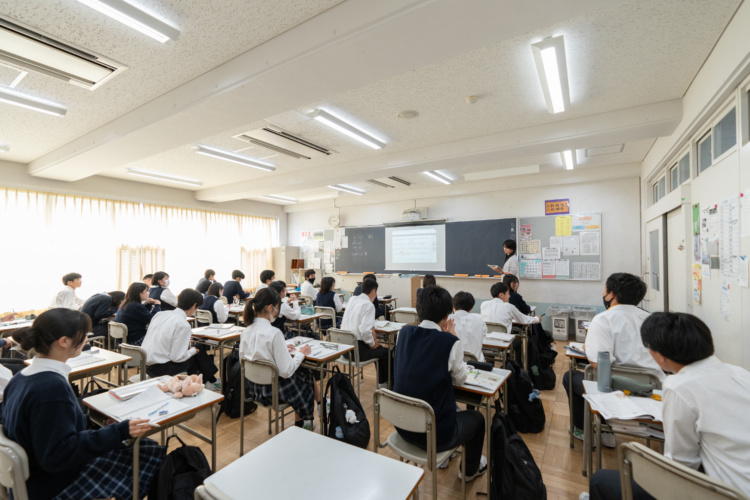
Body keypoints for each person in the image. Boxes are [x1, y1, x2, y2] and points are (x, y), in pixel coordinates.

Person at [1, 308, 163, 499]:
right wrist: (120, 431)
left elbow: (44, 427)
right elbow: (57, 456)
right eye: (84, 335)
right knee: (149, 451)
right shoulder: (51, 388)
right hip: (50, 483)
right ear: (64, 341)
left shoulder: (22, 377)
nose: (87, 338)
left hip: (27, 476)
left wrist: (95, 422)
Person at [586, 313, 750, 499]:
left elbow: (681, 466)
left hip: (730, 493)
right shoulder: (741, 374)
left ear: (661, 356)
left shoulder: (680, 387)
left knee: (600, 480)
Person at [394, 285, 487, 482]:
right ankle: (469, 472)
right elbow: (460, 379)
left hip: (402, 425)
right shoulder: (449, 342)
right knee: (477, 420)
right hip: (435, 435)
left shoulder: (403, 333)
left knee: (445, 401)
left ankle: (447, 458)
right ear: (447, 315)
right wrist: (452, 338)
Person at [562, 273, 664, 446]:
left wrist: (588, 349)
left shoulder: (602, 320)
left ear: (611, 294)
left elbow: (598, 365)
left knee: (570, 377)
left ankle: (593, 429)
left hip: (616, 390)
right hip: (655, 391)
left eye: (605, 289)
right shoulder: (652, 320)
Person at [239, 288, 319, 429]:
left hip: (252, 388)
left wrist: (279, 351)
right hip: (272, 392)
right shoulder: (274, 333)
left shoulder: (245, 331)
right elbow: (286, 372)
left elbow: (245, 360)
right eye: (277, 308)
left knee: (301, 374)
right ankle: (304, 421)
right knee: (305, 373)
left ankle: (306, 419)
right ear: (270, 308)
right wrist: (301, 353)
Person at [141, 288, 220, 389]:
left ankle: (209, 381)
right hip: (162, 369)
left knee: (197, 348)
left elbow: (165, 338)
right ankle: (197, 386)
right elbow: (177, 358)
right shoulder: (183, 324)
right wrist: (192, 351)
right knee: (197, 352)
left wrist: (185, 343)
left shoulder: (160, 314)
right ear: (194, 305)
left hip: (146, 365)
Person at [340, 278, 390, 388]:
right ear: (373, 291)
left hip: (344, 349)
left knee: (380, 350)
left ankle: (382, 383)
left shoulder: (352, 300)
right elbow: (365, 330)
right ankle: (386, 385)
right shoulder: (368, 305)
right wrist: (373, 344)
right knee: (386, 352)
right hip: (356, 352)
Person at [449, 291, 486, 362]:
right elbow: (484, 335)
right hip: (476, 363)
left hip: (453, 362)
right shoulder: (479, 320)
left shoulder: (448, 320)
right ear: (471, 308)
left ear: (453, 306)